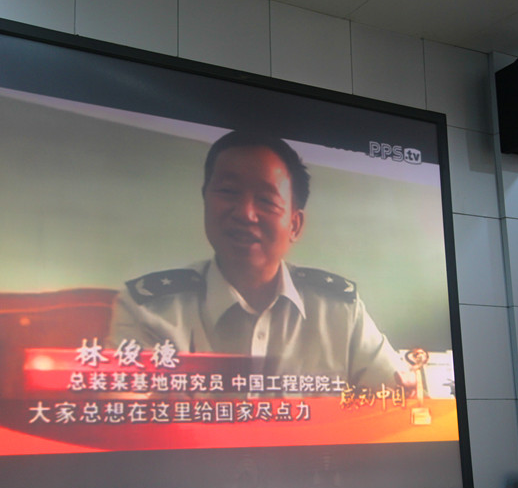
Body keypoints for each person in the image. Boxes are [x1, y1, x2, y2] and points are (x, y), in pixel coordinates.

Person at [109, 131, 407, 393]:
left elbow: (399, 398)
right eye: (228, 192)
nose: (245, 213)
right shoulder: (148, 308)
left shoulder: (339, 311)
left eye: (266, 200)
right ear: (205, 201)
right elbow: (123, 418)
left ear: (295, 225)